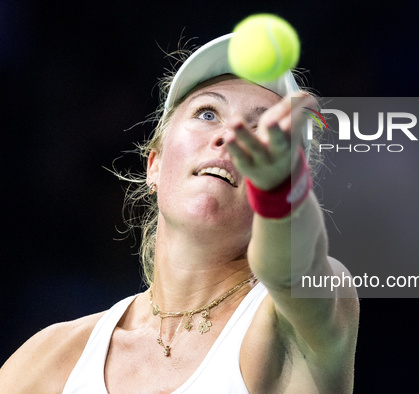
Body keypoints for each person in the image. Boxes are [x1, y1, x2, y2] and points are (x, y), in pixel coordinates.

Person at [0, 33, 359, 393]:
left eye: (261, 130)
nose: (230, 136)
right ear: (153, 165)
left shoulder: (296, 320)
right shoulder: (50, 360)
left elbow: (290, 271)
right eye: (207, 113)